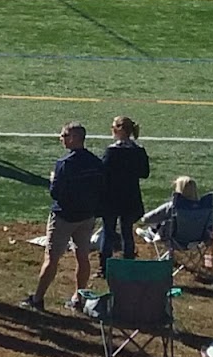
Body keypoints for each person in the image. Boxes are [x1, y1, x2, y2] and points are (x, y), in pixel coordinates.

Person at [29, 122, 105, 312]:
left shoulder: (64, 163)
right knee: (83, 256)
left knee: (52, 258)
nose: (61, 139)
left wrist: (52, 179)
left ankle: (38, 298)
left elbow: (56, 192)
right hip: (86, 216)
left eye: (64, 135)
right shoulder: (95, 162)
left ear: (74, 138)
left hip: (64, 217)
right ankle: (78, 297)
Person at [99, 115, 151, 268]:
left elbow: (102, 172)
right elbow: (145, 173)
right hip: (131, 196)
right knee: (127, 232)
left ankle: (104, 266)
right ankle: (128, 264)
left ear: (119, 130)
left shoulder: (112, 151)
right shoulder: (139, 150)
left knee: (108, 232)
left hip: (111, 197)